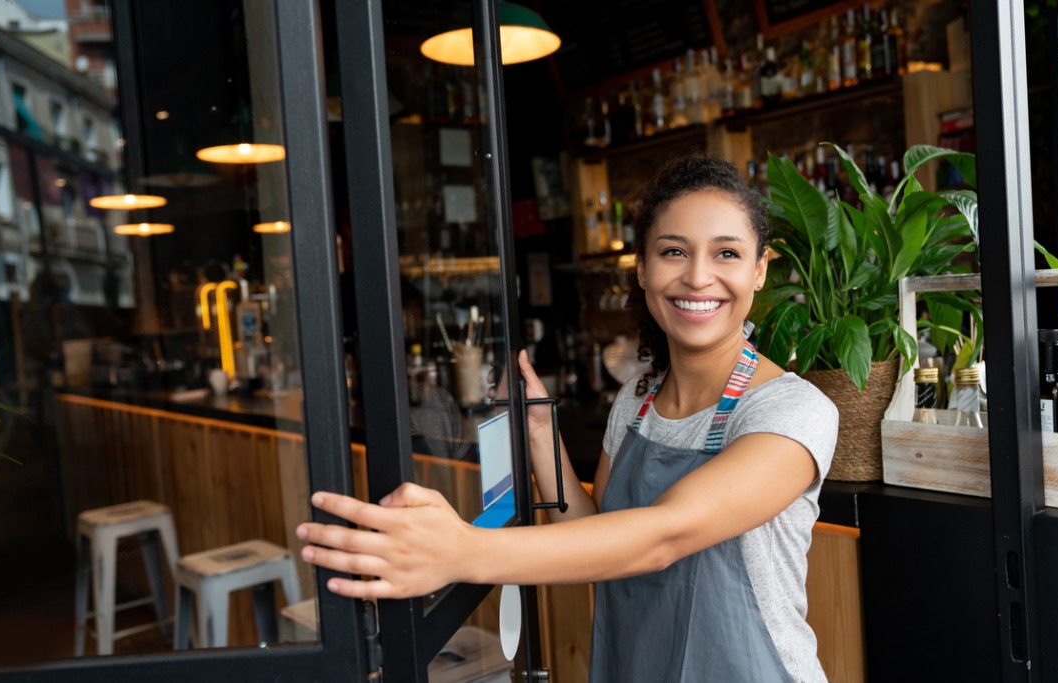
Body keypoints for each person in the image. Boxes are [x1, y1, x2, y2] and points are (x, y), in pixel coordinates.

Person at [297, 155, 839, 682]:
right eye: (674, 251)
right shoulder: (637, 400)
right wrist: (540, 434)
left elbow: (662, 537)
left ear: (760, 270)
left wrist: (462, 552)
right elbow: (595, 537)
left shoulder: (790, 410)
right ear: (643, 269)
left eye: (726, 254)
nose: (698, 277)